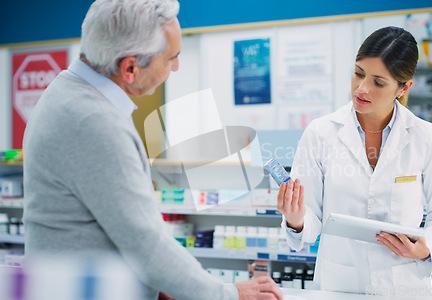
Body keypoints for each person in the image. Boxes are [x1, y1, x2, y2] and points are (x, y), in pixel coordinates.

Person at [22, 1, 282, 300]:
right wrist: (229, 294)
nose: (177, 66)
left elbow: (104, 222)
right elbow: (144, 242)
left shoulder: (65, 93)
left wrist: (160, 285)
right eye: (171, 58)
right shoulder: (94, 122)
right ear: (130, 68)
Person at [277, 26, 432, 298]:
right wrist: (296, 220)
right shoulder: (320, 133)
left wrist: (427, 247)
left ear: (404, 87)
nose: (361, 88)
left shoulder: (427, 137)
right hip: (340, 286)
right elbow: (311, 218)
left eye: (378, 82)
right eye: (358, 73)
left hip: (403, 285)